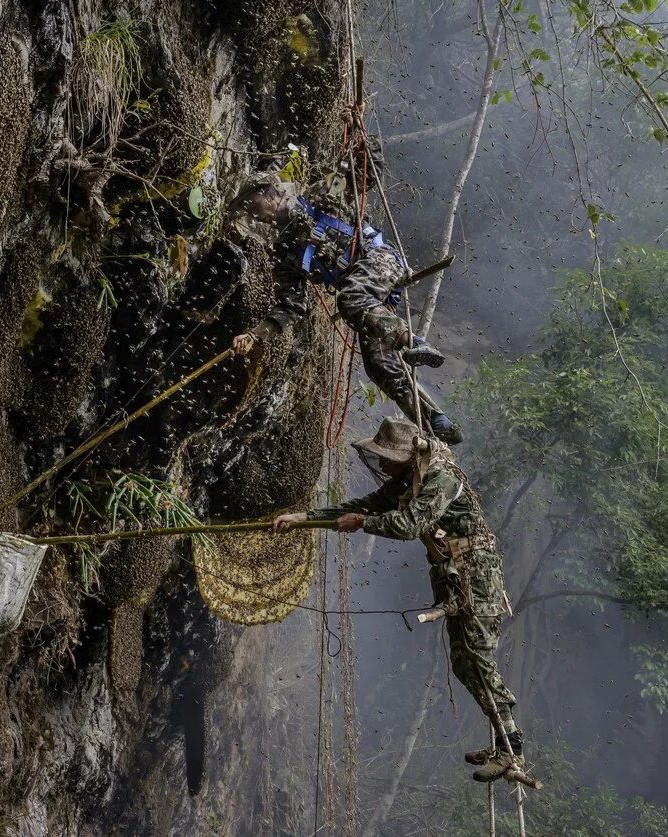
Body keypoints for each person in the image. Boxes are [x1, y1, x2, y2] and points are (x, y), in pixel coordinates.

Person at [272, 417, 524, 782]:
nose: (383, 465)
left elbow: (408, 526)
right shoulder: (410, 478)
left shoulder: (441, 478)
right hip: (452, 576)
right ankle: (502, 738)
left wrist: (362, 522)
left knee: (479, 660)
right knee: (464, 664)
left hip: (477, 577)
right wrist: (306, 517)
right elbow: (370, 503)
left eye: (386, 457)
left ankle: (511, 751)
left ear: (406, 454)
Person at [226, 154, 463, 445]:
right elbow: (291, 306)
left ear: (268, 192)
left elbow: (362, 172)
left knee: (350, 297)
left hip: (379, 260)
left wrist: (362, 148)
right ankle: (436, 422)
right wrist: (254, 334)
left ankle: (415, 343)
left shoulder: (318, 196)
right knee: (377, 364)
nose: (254, 214)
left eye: (252, 204)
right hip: (367, 296)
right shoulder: (284, 254)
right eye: (248, 212)